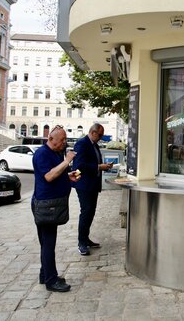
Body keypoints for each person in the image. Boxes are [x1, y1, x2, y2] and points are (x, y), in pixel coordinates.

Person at [32, 125, 80, 292]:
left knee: (46, 242)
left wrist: (67, 175)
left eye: (65, 139)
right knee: (48, 242)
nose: (64, 143)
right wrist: (67, 161)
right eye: (62, 140)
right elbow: (49, 176)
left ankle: (45, 274)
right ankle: (51, 281)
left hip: (51, 204)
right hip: (46, 205)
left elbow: (56, 173)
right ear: (51, 139)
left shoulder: (53, 153)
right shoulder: (42, 153)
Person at [72, 123, 113, 256]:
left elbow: (94, 161)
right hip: (84, 185)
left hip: (93, 184)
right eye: (100, 135)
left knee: (90, 212)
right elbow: (79, 165)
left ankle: (86, 238)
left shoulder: (94, 144)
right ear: (93, 132)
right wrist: (99, 167)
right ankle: (81, 243)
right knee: (86, 212)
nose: (101, 137)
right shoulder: (82, 144)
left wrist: (103, 166)